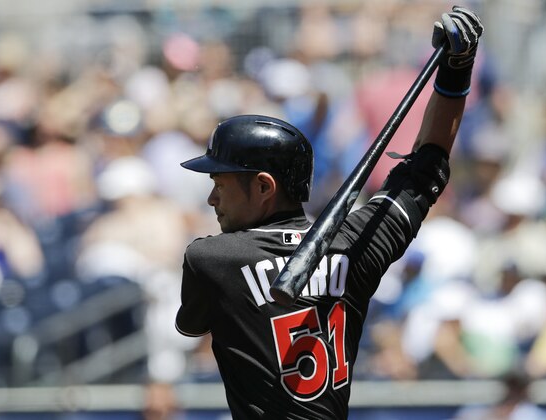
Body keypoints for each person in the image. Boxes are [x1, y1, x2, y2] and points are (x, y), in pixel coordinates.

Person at [175, 6, 484, 419]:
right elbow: (428, 163)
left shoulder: (210, 259)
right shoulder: (355, 244)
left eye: (221, 185)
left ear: (265, 187)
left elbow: (194, 328)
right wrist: (456, 72)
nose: (213, 200)